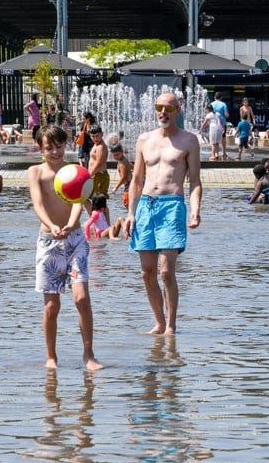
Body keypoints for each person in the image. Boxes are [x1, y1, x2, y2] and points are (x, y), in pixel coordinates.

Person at [125, 91, 203, 336]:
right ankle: (159, 322)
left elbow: (196, 181)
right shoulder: (144, 139)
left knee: (166, 270)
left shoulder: (189, 141)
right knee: (147, 272)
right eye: (159, 107)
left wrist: (195, 210)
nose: (163, 112)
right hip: (146, 205)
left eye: (168, 108)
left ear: (178, 110)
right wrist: (130, 213)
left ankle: (171, 326)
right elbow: (136, 180)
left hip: (172, 205)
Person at [27, 123, 103, 370]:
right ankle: (51, 357)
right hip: (49, 242)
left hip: (75, 240)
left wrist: (70, 226)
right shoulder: (35, 172)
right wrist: (52, 225)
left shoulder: (74, 170)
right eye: (49, 148)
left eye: (59, 147)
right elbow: (38, 204)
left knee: (81, 298)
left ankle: (89, 354)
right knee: (52, 305)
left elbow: (77, 202)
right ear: (40, 148)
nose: (55, 152)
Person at [87, 125, 110, 201]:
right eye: (93, 136)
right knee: (96, 200)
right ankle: (94, 213)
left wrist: (89, 175)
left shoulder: (101, 146)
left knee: (98, 201)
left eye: (97, 136)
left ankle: (97, 213)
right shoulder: (97, 145)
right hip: (96, 175)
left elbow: (98, 163)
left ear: (102, 134)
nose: (95, 138)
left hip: (99, 176)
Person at [110, 143, 133, 208]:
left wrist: (116, 188)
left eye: (117, 154)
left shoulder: (121, 164)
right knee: (131, 202)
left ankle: (131, 216)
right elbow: (131, 166)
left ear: (122, 152)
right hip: (131, 183)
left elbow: (123, 177)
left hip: (128, 185)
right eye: (114, 155)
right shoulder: (124, 159)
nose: (116, 157)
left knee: (127, 203)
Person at [211, 92, 229, 159]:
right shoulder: (223, 104)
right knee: (223, 138)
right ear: (221, 97)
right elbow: (226, 114)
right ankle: (224, 153)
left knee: (214, 139)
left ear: (214, 97)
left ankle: (216, 153)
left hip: (213, 123)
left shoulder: (211, 104)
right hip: (222, 124)